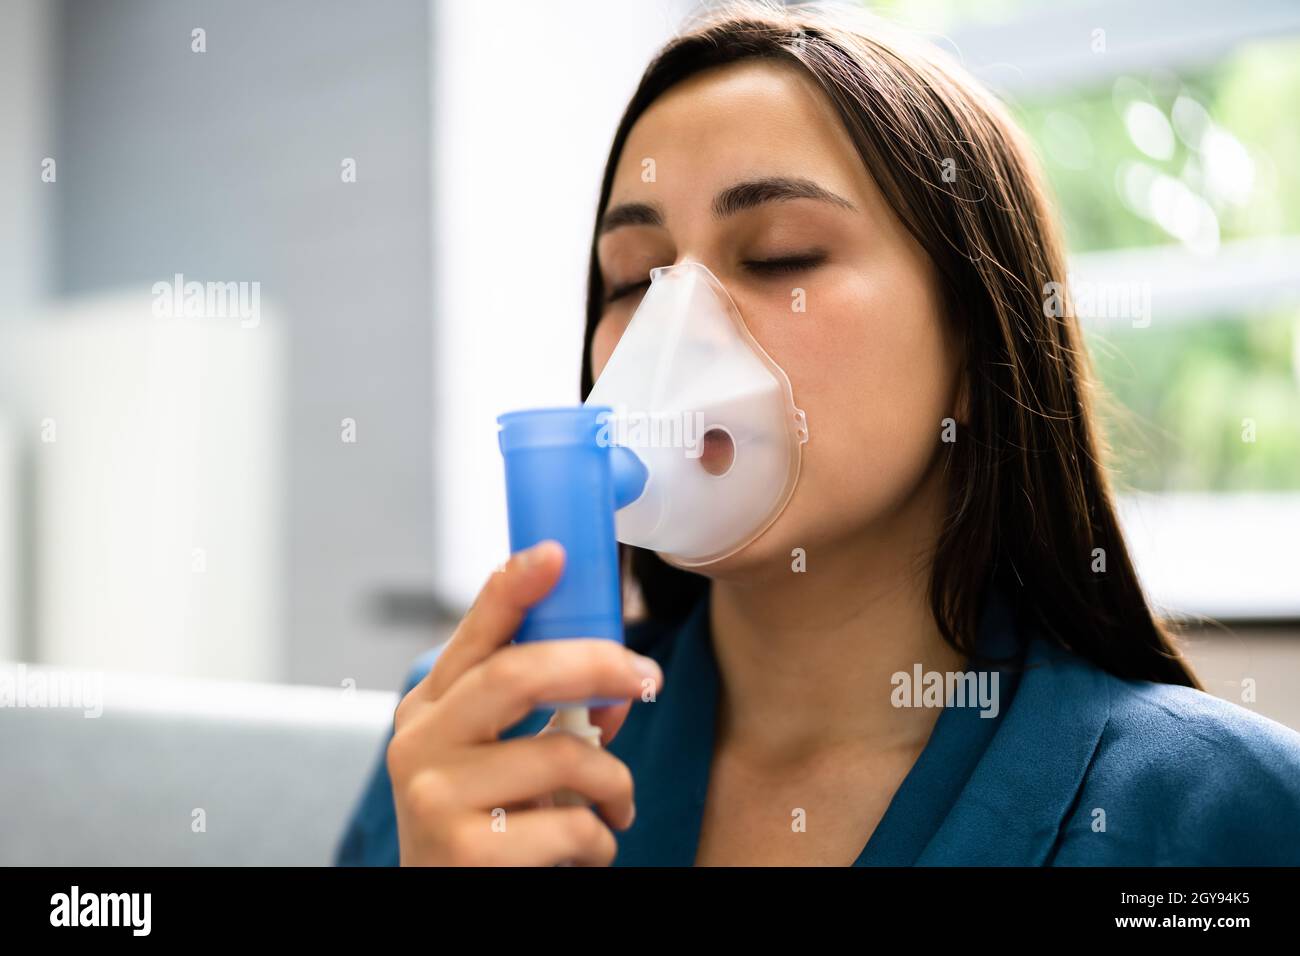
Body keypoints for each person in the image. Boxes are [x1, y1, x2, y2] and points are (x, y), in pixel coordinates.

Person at [337, 1, 1300, 866]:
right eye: (633, 278)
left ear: (974, 352)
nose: (671, 332)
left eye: (778, 257)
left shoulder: (1216, 809)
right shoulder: (473, 739)